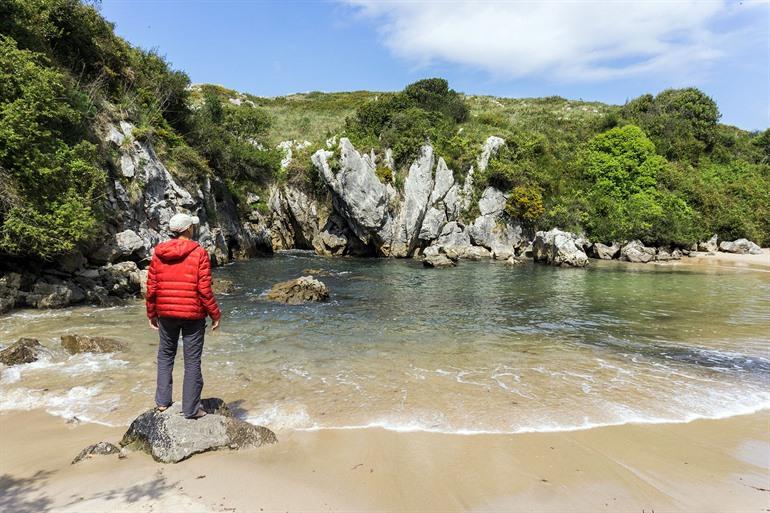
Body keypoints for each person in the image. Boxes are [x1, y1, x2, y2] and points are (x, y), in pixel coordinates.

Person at [145, 212, 221, 419]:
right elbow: (204, 289)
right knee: (192, 362)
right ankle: (191, 409)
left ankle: (162, 402)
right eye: (192, 227)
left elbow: (152, 287)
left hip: (166, 313)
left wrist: (151, 313)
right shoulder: (199, 253)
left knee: (165, 356)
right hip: (193, 315)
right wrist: (215, 314)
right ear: (188, 229)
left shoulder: (159, 253)